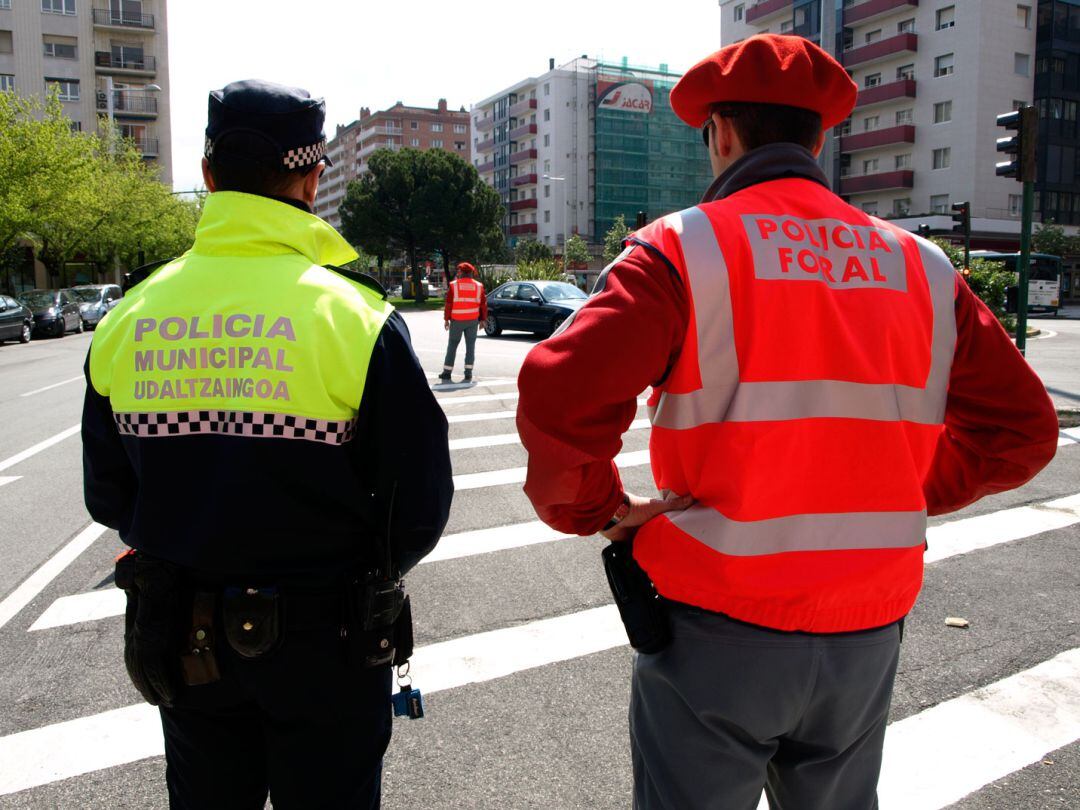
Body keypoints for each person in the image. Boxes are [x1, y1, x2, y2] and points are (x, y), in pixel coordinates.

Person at [516, 35, 1059, 809]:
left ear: (724, 135)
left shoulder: (680, 249)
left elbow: (559, 398)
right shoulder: (925, 268)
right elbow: (1025, 431)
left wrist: (601, 510)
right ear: (822, 137)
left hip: (716, 625)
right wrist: (894, 488)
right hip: (868, 627)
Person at [81, 79, 453, 809]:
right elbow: (421, 505)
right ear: (312, 177)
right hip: (330, 642)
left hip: (186, 641)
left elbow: (109, 497)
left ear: (210, 175)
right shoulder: (357, 317)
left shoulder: (129, 317)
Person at [440, 261, 487, 382]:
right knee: (470, 347)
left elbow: (449, 304)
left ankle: (447, 372)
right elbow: (483, 305)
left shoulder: (453, 285)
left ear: (461, 272)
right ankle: (468, 373)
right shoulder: (479, 286)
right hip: (472, 321)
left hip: (457, 321)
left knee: (452, 346)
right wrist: (483, 320)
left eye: (458, 271)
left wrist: (446, 320)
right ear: (471, 272)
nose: (458, 273)